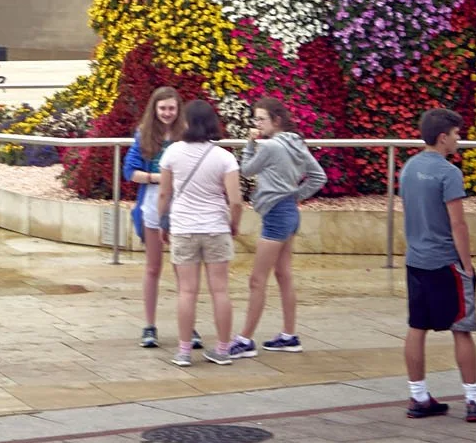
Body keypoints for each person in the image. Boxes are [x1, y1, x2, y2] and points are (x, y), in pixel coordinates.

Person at [401, 107, 476, 422]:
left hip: (416, 260)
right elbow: (458, 224)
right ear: (442, 138)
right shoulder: (449, 173)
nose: (458, 139)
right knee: (461, 328)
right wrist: (467, 265)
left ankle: (418, 395)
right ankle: (473, 400)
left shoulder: (408, 168)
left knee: (417, 327)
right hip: (446, 262)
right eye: (455, 134)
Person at [233, 98, 327, 356]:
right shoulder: (296, 142)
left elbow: (246, 169)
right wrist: (296, 196)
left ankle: (244, 340)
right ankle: (289, 335)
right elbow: (319, 176)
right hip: (289, 212)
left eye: (261, 119)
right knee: (283, 275)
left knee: (257, 279)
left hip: (276, 215)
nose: (257, 124)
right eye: (255, 119)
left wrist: (250, 143)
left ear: (276, 120)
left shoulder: (270, 146)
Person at [158, 98, 242, 367]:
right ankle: (223, 349)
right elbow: (236, 201)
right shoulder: (225, 157)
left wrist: (162, 222)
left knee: (186, 292)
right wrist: (234, 224)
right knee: (220, 290)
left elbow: (164, 193)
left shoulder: (172, 153)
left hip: (184, 227)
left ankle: (184, 351)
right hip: (216, 227)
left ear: (186, 122)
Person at [126, 87, 180, 348]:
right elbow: (130, 171)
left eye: (171, 108)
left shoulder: (186, 135)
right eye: (163, 108)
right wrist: (157, 178)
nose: (167, 113)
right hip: (152, 204)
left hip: (182, 206)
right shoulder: (144, 134)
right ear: (155, 109)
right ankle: (149, 325)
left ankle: (188, 325)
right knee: (153, 267)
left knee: (184, 269)